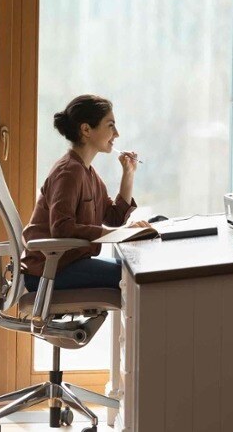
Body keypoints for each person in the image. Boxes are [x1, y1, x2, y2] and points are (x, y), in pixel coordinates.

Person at [21, 94, 150, 292]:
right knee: (133, 275)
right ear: (86, 129)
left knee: (133, 269)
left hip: (65, 265)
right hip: (48, 271)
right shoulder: (69, 172)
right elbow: (62, 228)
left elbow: (114, 218)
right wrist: (120, 234)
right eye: (110, 125)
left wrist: (128, 174)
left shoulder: (87, 171)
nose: (117, 133)